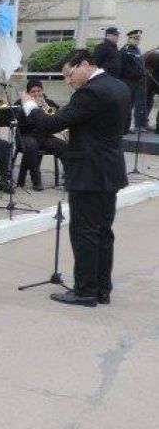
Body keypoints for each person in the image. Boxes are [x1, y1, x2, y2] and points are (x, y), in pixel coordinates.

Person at [20, 49, 129, 307]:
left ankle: (85, 291)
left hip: (89, 172)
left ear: (84, 65)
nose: (69, 81)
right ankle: (102, 289)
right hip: (110, 168)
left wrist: (29, 104)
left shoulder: (91, 92)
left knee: (84, 232)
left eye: (70, 75)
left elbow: (49, 125)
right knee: (103, 231)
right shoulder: (119, 86)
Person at [15, 79, 66, 191]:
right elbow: (20, 123)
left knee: (62, 145)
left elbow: (57, 119)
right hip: (25, 135)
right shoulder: (20, 103)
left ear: (43, 91)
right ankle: (36, 181)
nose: (37, 94)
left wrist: (45, 107)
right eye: (33, 92)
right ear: (28, 93)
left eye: (39, 90)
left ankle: (69, 177)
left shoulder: (49, 102)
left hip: (44, 136)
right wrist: (30, 108)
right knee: (31, 145)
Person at [119, 29, 145, 132]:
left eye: (138, 39)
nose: (137, 41)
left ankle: (138, 125)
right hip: (127, 81)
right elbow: (121, 67)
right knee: (127, 105)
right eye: (135, 39)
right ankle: (125, 127)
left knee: (138, 104)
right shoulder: (125, 51)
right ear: (129, 39)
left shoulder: (137, 50)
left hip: (138, 82)